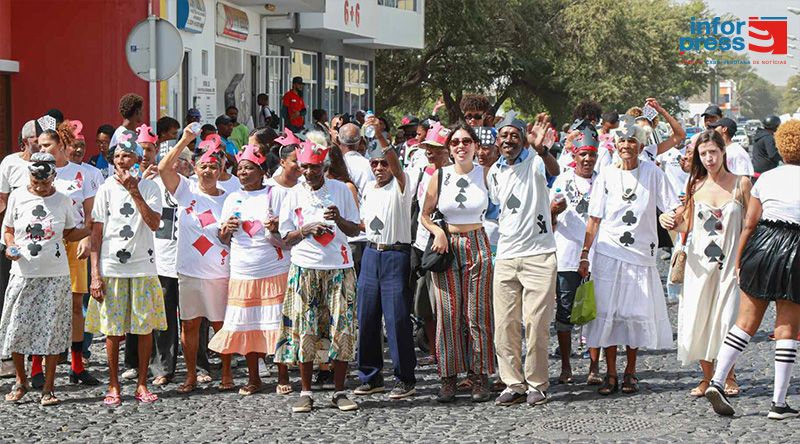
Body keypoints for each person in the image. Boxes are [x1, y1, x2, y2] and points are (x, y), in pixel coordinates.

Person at [704, 119, 800, 420]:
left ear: (781, 146)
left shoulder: (767, 178)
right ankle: (778, 403)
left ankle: (718, 380)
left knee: (745, 322)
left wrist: (739, 258)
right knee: (787, 328)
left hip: (761, 245)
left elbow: (750, 222)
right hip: (796, 248)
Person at [577, 115, 678, 396]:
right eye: (622, 140)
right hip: (608, 254)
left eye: (632, 140)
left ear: (640, 144)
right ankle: (610, 372)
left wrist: (670, 217)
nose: (626, 145)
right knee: (610, 313)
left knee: (632, 314)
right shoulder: (606, 174)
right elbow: (594, 218)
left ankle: (630, 371)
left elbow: (672, 205)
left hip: (641, 255)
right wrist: (585, 253)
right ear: (615, 144)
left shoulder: (653, 173)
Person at [658, 130, 749, 399]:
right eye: (703, 153)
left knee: (726, 319)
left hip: (730, 264)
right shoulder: (695, 185)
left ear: (723, 152)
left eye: (713, 152)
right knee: (699, 319)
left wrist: (747, 260)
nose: (709, 158)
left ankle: (727, 375)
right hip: (699, 265)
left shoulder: (740, 184)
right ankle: (707, 377)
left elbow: (751, 225)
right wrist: (668, 220)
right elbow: (688, 224)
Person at [275, 137, 361, 413]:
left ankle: (339, 391)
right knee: (305, 330)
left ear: (324, 166)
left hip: (339, 268)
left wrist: (339, 220)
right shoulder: (292, 195)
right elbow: (285, 237)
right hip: (304, 269)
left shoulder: (341, 190)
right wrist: (305, 230)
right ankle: (306, 391)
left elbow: (354, 230)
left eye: (315, 167)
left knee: (342, 328)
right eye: (305, 167)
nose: (310, 172)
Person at [0, 152, 89, 405]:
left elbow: (70, 231)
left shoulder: (63, 200)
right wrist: (10, 247)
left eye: (45, 183)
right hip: (23, 273)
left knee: (52, 332)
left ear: (54, 178)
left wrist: (90, 231)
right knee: (17, 328)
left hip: (55, 274)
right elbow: (8, 231)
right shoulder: (18, 196)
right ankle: (21, 381)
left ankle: (49, 388)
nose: (40, 187)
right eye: (36, 182)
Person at [85, 129, 166, 406]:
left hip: (142, 267)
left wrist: (135, 191)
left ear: (136, 158)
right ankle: (113, 384)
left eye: (127, 155)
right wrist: (95, 274)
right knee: (112, 331)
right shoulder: (105, 189)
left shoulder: (151, 186)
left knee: (143, 329)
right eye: (117, 155)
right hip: (112, 268)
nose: (121, 160)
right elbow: (96, 234)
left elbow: (155, 223)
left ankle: (141, 384)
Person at [486, 113, 560, 406]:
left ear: (522, 138)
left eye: (514, 135)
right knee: (505, 325)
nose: (508, 141)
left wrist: (541, 149)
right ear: (497, 140)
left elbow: (554, 170)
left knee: (537, 323)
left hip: (539, 256)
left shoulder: (536, 163)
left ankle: (537, 384)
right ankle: (513, 383)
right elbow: (497, 209)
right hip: (506, 256)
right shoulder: (494, 171)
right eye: (503, 136)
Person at [421, 123, 494, 403]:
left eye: (466, 141)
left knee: (477, 314)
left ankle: (480, 376)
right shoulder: (440, 176)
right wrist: (438, 232)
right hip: (447, 246)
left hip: (477, 242)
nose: (460, 146)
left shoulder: (486, 174)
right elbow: (425, 214)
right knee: (448, 314)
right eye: (455, 142)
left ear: (476, 146)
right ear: (449, 148)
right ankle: (448, 377)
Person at [156, 127, 233, 394]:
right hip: (189, 270)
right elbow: (163, 168)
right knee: (189, 324)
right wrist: (185, 140)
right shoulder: (186, 190)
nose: (208, 171)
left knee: (220, 325)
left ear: (221, 168)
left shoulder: (230, 197)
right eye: (203, 166)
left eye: (214, 166)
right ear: (195, 168)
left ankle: (225, 372)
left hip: (220, 272)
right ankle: (190, 375)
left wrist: (227, 235)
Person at [209, 144, 286, 396]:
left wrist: (275, 227)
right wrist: (226, 229)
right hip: (243, 270)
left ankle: (283, 374)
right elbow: (222, 238)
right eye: (240, 168)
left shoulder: (275, 195)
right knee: (249, 325)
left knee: (277, 324)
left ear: (262, 171)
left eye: (248, 168)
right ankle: (254, 378)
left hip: (273, 267)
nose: (242, 172)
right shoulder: (232, 198)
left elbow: (286, 232)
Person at [353, 134, 417, 400]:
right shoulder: (369, 189)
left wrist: (379, 135)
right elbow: (364, 225)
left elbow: (396, 166)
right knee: (366, 317)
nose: (379, 168)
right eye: (375, 164)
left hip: (395, 254)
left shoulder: (402, 185)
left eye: (384, 163)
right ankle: (370, 376)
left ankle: (404, 378)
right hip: (371, 253)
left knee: (397, 319)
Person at [38, 120, 101, 387]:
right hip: (45, 246)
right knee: (44, 305)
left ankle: (76, 365)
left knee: (76, 306)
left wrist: (87, 238)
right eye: (39, 145)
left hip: (74, 243)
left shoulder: (83, 174)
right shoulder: (38, 171)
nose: (41, 150)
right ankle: (36, 367)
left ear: (62, 145)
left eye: (47, 145)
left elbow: (91, 214)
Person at [550, 127, 599, 385]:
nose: (588, 159)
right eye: (583, 154)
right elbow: (549, 216)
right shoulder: (563, 180)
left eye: (592, 154)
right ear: (575, 155)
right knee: (565, 312)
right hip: (567, 255)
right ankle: (566, 366)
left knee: (595, 312)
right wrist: (555, 211)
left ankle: (594, 367)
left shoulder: (603, 181)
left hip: (598, 255)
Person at [408, 122, 452, 369]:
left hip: (448, 246)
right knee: (423, 303)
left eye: (436, 148)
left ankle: (452, 353)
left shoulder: (457, 174)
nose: (430, 152)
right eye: (427, 147)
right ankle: (436, 351)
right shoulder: (421, 172)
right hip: (422, 243)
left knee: (448, 304)